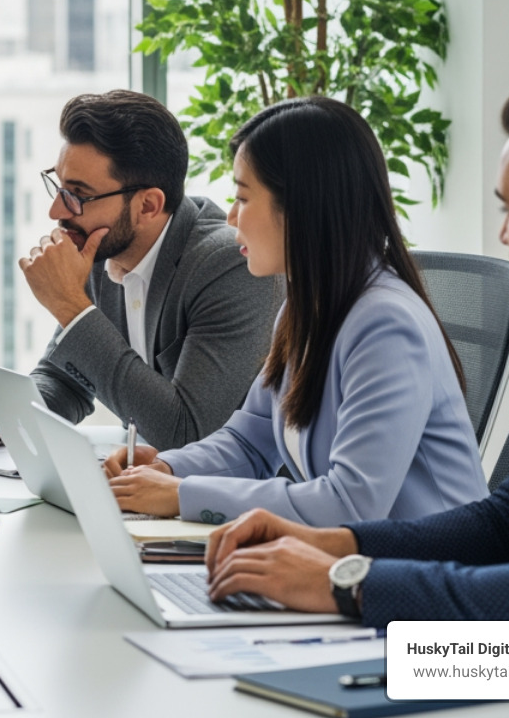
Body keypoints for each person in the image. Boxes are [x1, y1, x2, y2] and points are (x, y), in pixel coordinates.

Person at [199, 74, 509, 705]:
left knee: (325, 688)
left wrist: (349, 583)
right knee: (276, 685)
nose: (504, 235)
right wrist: (334, 544)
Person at [102, 97, 487, 525]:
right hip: (349, 566)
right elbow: (250, 441)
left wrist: (181, 494)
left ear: (301, 207)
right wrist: (166, 470)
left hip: (425, 576)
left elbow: (351, 503)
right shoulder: (304, 309)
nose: (231, 218)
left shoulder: (386, 325)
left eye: (243, 198)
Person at [0, 90, 279, 452]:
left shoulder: (229, 265)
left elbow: (186, 434)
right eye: (58, 187)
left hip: (237, 501)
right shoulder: (102, 251)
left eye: (78, 195)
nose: (56, 211)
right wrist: (2, 418)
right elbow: (66, 379)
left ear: (148, 205)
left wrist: (72, 308)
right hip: (151, 490)